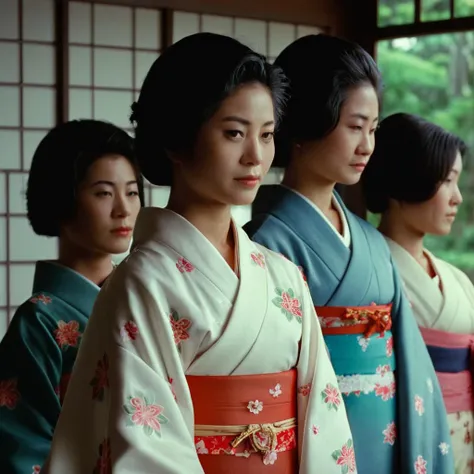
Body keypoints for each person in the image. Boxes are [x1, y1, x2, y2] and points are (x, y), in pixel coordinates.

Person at [42, 33, 355, 474]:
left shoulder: (284, 277)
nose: (255, 156)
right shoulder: (141, 283)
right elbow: (148, 444)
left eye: (266, 136)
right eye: (233, 133)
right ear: (177, 139)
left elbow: (323, 418)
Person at [244, 35, 454, 473]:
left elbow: (410, 362)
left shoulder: (372, 242)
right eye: (355, 127)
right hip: (312, 440)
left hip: (388, 437)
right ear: (307, 124)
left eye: (373, 129)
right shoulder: (264, 243)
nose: (367, 146)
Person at [0, 119, 143, 473]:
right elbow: (23, 448)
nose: (123, 209)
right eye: (104, 193)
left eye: (132, 191)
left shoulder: (140, 299)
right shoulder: (39, 322)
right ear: (63, 197)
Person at [362, 112, 472, 473]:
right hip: (397, 430)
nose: (457, 197)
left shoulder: (456, 280)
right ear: (407, 179)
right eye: (447, 181)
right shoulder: (368, 272)